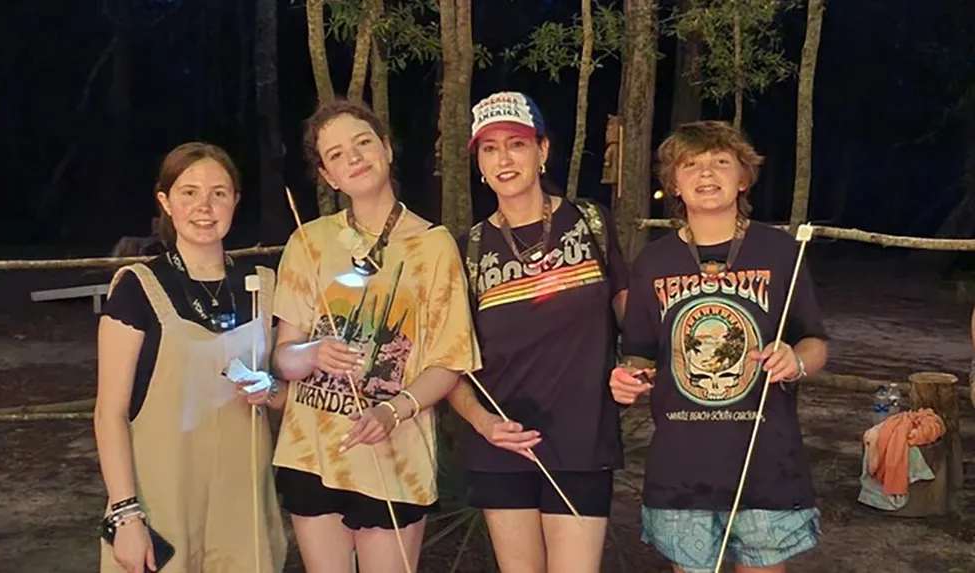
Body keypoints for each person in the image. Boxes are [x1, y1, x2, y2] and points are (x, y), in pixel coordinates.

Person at [267, 99, 481, 573]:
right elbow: (283, 359)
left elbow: (449, 361)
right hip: (313, 453)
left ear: (385, 148)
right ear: (329, 176)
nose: (354, 158)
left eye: (363, 143)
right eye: (337, 154)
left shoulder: (433, 245)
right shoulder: (308, 241)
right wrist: (312, 352)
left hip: (394, 461)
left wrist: (392, 409)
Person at [609, 120, 830, 573]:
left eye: (720, 163)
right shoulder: (653, 262)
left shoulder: (780, 252)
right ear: (673, 183)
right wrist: (628, 379)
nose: (706, 174)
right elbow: (640, 354)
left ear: (743, 178)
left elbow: (815, 342)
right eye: (691, 165)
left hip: (765, 464)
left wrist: (795, 360)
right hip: (681, 471)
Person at [447, 91, 629, 573]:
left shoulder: (590, 222)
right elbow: (449, 363)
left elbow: (631, 316)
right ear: (479, 164)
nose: (504, 159)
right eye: (489, 148)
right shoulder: (469, 249)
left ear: (542, 151)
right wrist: (484, 423)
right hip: (502, 443)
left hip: (582, 439)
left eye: (517, 144)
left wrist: (637, 365)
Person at [94, 142, 287, 573]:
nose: (205, 206)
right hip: (158, 507)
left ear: (236, 200)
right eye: (189, 192)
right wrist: (126, 515)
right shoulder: (137, 289)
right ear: (165, 201)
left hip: (242, 511)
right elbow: (110, 412)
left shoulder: (264, 288)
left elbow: (290, 394)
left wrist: (270, 390)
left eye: (219, 192)